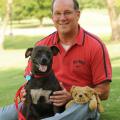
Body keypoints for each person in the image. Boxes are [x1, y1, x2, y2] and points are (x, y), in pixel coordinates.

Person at [0, 0, 112, 120]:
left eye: (67, 12)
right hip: (40, 102)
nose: (62, 18)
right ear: (52, 17)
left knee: (84, 106)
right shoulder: (42, 45)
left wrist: (70, 96)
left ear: (77, 15)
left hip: (77, 103)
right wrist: (25, 86)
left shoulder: (95, 46)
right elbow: (28, 75)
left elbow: (104, 91)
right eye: (57, 13)